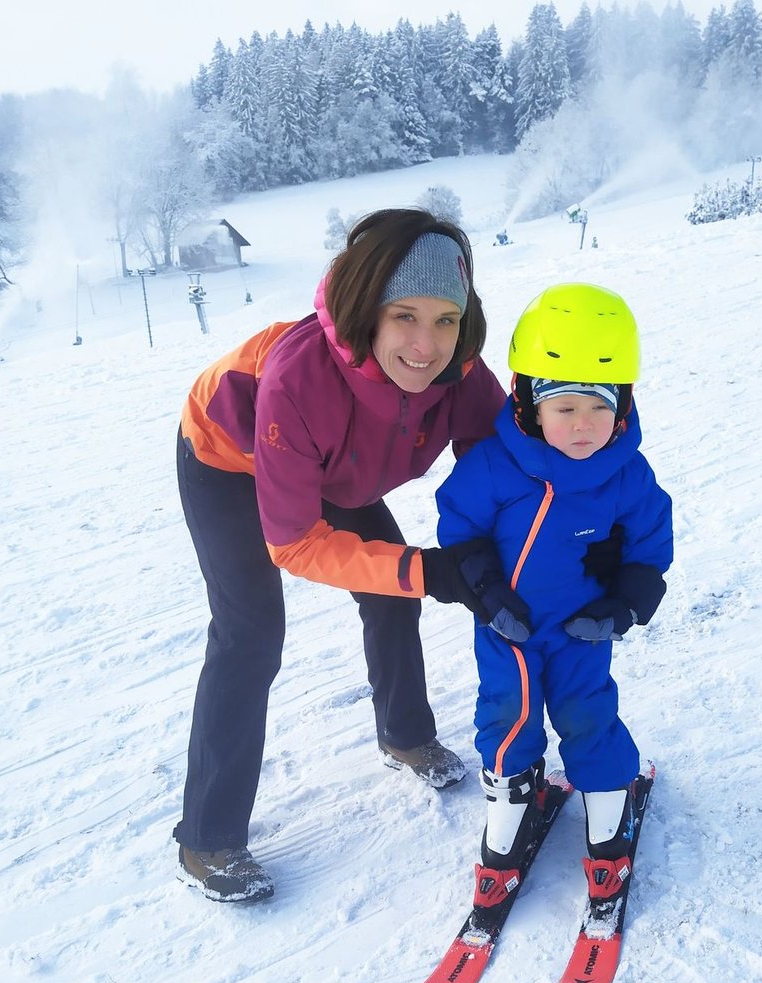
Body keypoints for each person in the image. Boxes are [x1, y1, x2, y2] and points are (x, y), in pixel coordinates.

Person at [175, 208, 525, 904]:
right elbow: (295, 540)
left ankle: (404, 735)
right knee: (250, 636)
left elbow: (498, 460)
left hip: (338, 469)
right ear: (367, 307)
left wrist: (540, 539)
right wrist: (429, 569)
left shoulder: (457, 369)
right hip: (231, 457)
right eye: (404, 316)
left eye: (445, 319)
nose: (426, 345)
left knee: (391, 586)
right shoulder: (297, 381)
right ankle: (207, 840)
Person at [435, 282, 673, 899]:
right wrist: (486, 592)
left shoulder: (626, 473)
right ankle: (510, 808)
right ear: (528, 404)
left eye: (599, 407)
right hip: (508, 631)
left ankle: (607, 811)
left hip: (580, 633)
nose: (583, 425)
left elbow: (649, 546)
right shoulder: (493, 466)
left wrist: (622, 605)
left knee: (587, 713)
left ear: (621, 406)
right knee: (507, 716)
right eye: (564, 407)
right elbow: (460, 532)